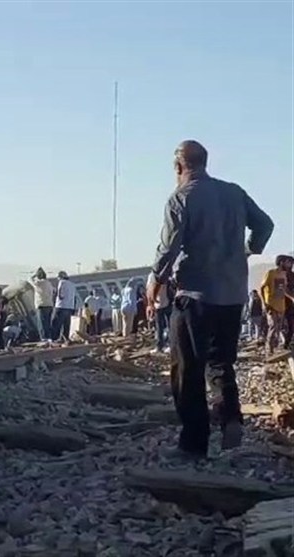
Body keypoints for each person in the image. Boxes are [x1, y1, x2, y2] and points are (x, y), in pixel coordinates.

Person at [148, 140, 273, 459]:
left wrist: (156, 282)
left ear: (179, 167)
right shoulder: (234, 192)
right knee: (221, 362)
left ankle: (194, 443)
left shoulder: (181, 197)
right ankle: (230, 417)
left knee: (187, 370)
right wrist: (249, 249)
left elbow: (169, 247)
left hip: (195, 297)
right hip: (232, 296)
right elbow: (265, 224)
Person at [260, 255, 291, 355]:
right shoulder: (271, 273)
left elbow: (284, 290)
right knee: (273, 326)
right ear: (281, 262)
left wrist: (292, 298)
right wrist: (264, 303)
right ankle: (269, 349)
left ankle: (274, 348)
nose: (290, 265)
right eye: (288, 262)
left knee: (278, 328)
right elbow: (262, 287)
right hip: (271, 305)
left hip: (281, 306)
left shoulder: (284, 275)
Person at [147, 272, 172, 353]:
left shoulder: (152, 275)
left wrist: (150, 304)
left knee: (160, 327)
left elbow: (149, 290)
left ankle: (160, 346)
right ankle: (167, 345)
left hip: (160, 304)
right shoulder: (167, 274)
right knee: (167, 326)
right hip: (163, 304)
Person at [51, 271, 76, 341]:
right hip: (70, 307)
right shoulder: (72, 284)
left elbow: (60, 295)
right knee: (66, 325)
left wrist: (55, 295)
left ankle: (54, 339)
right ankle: (64, 339)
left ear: (60, 277)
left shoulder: (61, 282)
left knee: (56, 323)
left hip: (61, 306)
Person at [31, 267, 54, 340]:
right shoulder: (49, 283)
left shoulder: (39, 283)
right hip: (49, 304)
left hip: (41, 305)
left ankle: (43, 338)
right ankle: (48, 337)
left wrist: (34, 275)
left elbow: (31, 280)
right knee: (47, 322)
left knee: (41, 323)